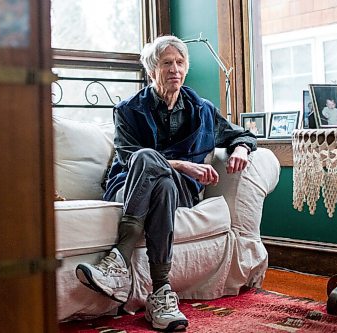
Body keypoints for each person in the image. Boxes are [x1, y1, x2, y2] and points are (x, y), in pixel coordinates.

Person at [75, 35, 256, 332]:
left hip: (180, 191)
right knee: (152, 167)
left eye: (180, 62)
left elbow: (243, 134)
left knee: (168, 184)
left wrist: (240, 149)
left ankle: (118, 260)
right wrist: (182, 164)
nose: (175, 69)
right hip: (129, 186)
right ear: (151, 71)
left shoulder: (203, 110)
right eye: (166, 63)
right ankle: (161, 294)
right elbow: (129, 155)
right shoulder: (128, 109)